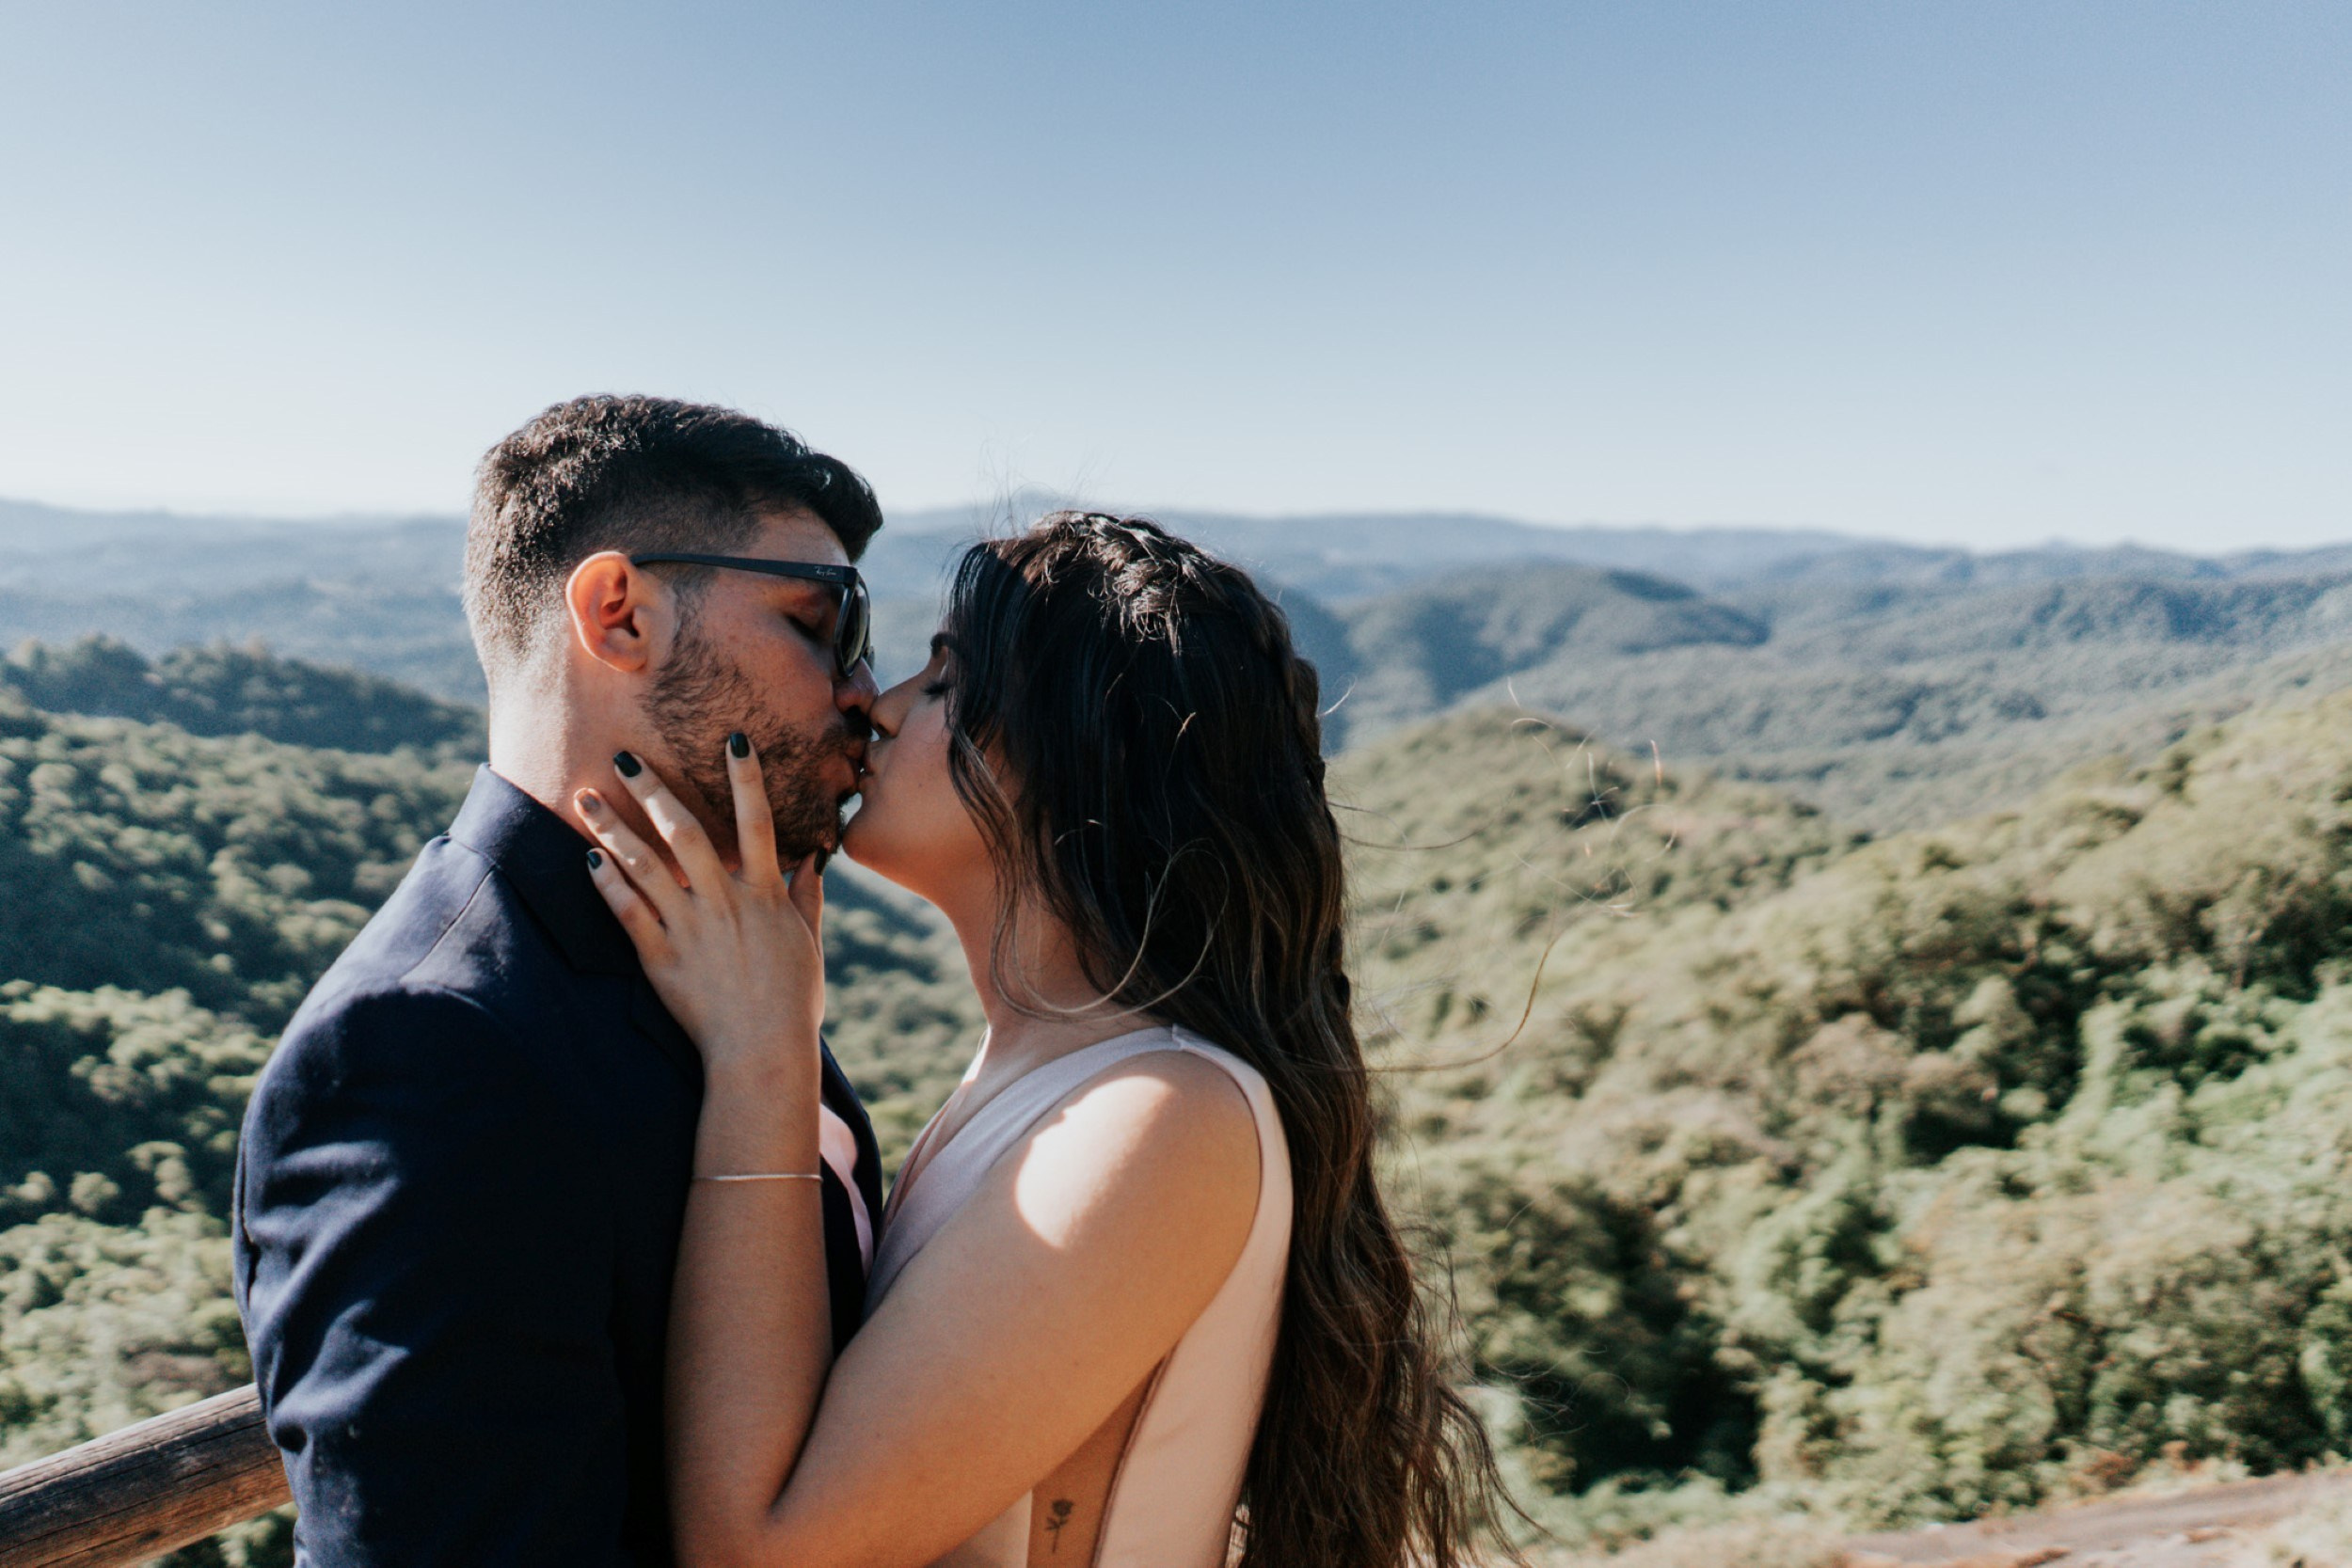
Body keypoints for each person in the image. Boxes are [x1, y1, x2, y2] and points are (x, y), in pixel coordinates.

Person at [580, 513, 1511, 1568]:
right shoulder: (1045, 1079)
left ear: (1075, 755)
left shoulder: (1162, 1117)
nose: (878, 702)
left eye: (943, 683)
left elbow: (766, 1551)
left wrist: (760, 1054)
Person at [231, 394, 888, 1566]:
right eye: (820, 621)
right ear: (618, 612)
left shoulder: (729, 958)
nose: (862, 690)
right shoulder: (422, 1051)